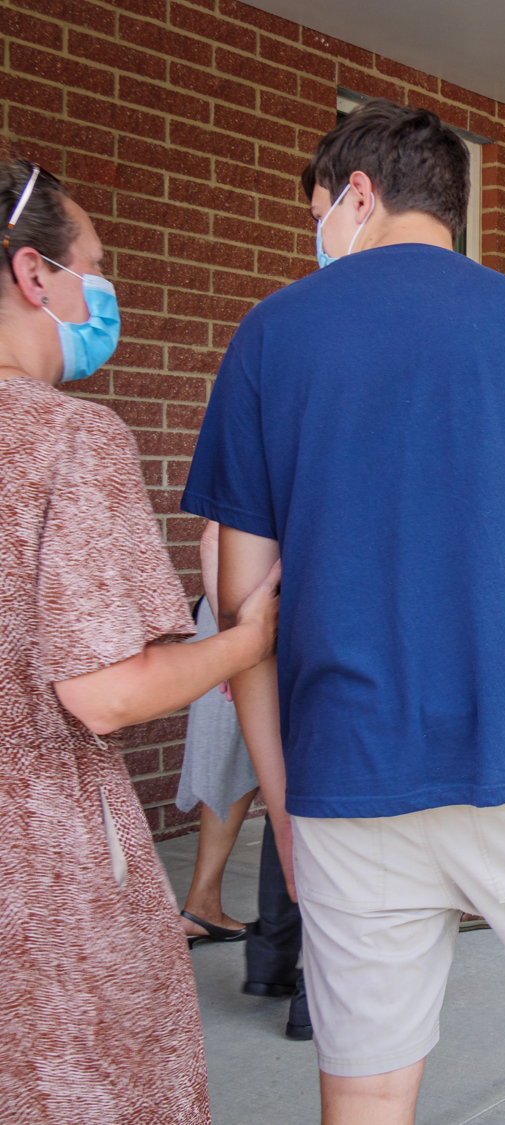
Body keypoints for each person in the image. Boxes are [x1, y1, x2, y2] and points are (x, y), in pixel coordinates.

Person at [182, 100, 505, 1125]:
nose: (317, 235)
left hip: (344, 770)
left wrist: (285, 804)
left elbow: (244, 618)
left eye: (319, 208)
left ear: (359, 195)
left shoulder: (269, 336)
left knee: (367, 1077)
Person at [0, 156, 279, 1122]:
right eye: (95, 265)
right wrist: (250, 638)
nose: (104, 291)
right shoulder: (70, 439)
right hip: (43, 864)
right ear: (36, 276)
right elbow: (108, 690)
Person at [176, 521, 261, 945]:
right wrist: (235, 640)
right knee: (242, 760)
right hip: (251, 618)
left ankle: (201, 904)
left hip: (228, 612)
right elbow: (213, 536)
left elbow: (213, 538)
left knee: (229, 760)